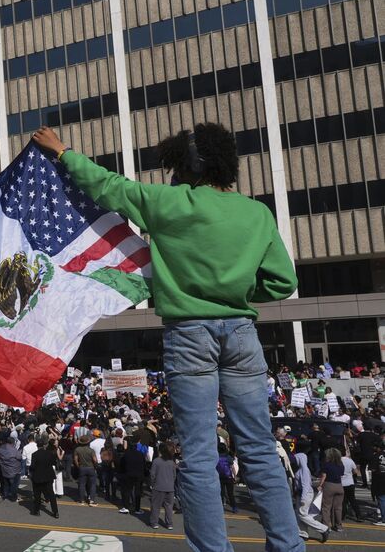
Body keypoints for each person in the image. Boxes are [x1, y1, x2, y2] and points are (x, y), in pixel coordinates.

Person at [32, 124, 304, 551]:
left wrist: (62, 151)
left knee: (197, 458)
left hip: (189, 335)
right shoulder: (257, 213)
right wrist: (235, 293)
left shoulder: (168, 203)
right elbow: (282, 282)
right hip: (242, 333)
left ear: (187, 166)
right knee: (260, 450)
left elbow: (107, 186)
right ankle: (288, 546)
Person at [292, 440, 329, 542]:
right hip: (303, 493)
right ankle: (303, 533)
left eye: (296, 459)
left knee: (302, 515)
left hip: (305, 494)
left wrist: (303, 497)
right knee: (300, 514)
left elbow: (305, 484)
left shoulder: (303, 470)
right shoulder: (302, 469)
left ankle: (323, 529)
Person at [149, 441, 177, 530]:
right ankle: (169, 524)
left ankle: (154, 523)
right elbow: (174, 475)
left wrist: (152, 484)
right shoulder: (171, 462)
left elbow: (152, 475)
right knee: (169, 507)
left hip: (158, 487)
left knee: (156, 506)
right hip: (170, 487)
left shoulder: (156, 461)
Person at [29, 441, 59, 518]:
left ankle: (37, 511)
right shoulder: (49, 453)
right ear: (44, 446)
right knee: (51, 495)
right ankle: (55, 512)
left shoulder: (34, 454)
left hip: (38, 476)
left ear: (37, 447)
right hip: (48, 476)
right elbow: (53, 463)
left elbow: (32, 466)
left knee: (37, 494)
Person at [319, 448, 345, 531]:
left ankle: (326, 526)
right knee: (338, 507)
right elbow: (341, 474)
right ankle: (338, 525)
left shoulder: (326, 464)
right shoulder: (341, 465)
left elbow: (324, 476)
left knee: (326, 507)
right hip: (339, 486)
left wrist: (320, 485)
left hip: (329, 485)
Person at [118, 438, 146, 516]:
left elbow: (122, 465)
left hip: (128, 474)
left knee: (127, 491)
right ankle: (137, 508)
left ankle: (126, 507)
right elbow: (144, 465)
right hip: (139, 475)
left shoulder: (126, 454)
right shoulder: (140, 454)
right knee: (137, 492)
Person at [74, 433, 98, 506]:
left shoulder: (77, 449)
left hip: (82, 468)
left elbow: (75, 460)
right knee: (93, 484)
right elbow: (95, 460)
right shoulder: (91, 450)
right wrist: (95, 466)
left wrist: (78, 466)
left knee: (81, 484)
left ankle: (82, 500)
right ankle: (92, 500)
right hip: (91, 468)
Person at [0, 436, 23, 502]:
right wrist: (20, 452)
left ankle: (5, 495)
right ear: (13, 442)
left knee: (6, 483)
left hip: (4, 469)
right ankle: (13, 497)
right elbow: (20, 457)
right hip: (14, 470)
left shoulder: (2, 448)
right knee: (14, 485)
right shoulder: (13, 450)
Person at [341, 450, 363, 522]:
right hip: (350, 482)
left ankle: (342, 516)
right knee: (353, 500)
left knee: (343, 501)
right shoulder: (350, 461)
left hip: (341, 483)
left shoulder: (337, 461)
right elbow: (355, 471)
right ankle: (358, 516)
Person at [217, 443, 237, 513]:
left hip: (219, 477)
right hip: (228, 477)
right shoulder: (228, 457)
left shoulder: (216, 457)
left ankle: (221, 507)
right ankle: (234, 507)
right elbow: (232, 468)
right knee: (230, 493)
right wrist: (235, 476)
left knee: (221, 493)